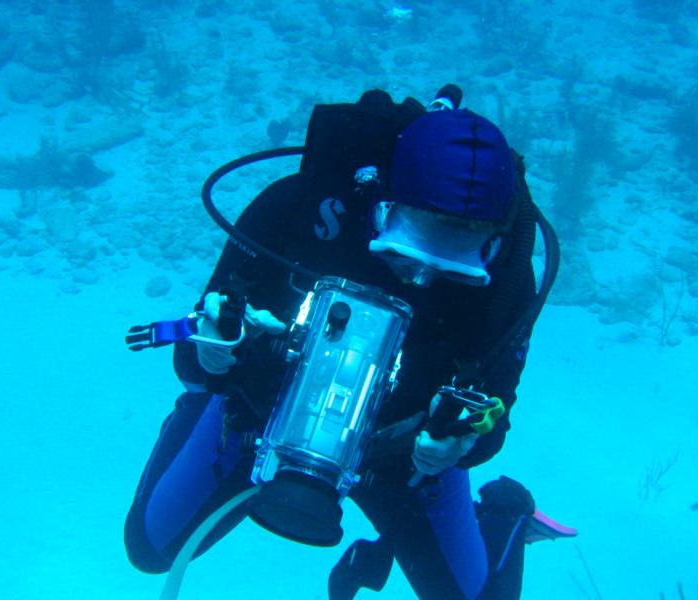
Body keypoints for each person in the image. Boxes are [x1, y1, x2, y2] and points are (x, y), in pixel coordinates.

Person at [124, 85, 574, 600]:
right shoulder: (294, 212)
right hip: (257, 415)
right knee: (148, 548)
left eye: (454, 263)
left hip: (401, 456)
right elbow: (195, 346)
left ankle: (504, 514)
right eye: (411, 250)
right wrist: (214, 356)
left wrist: (453, 444)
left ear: (491, 240)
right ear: (384, 203)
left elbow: (493, 412)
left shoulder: (507, 283)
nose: (422, 278)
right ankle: (196, 421)